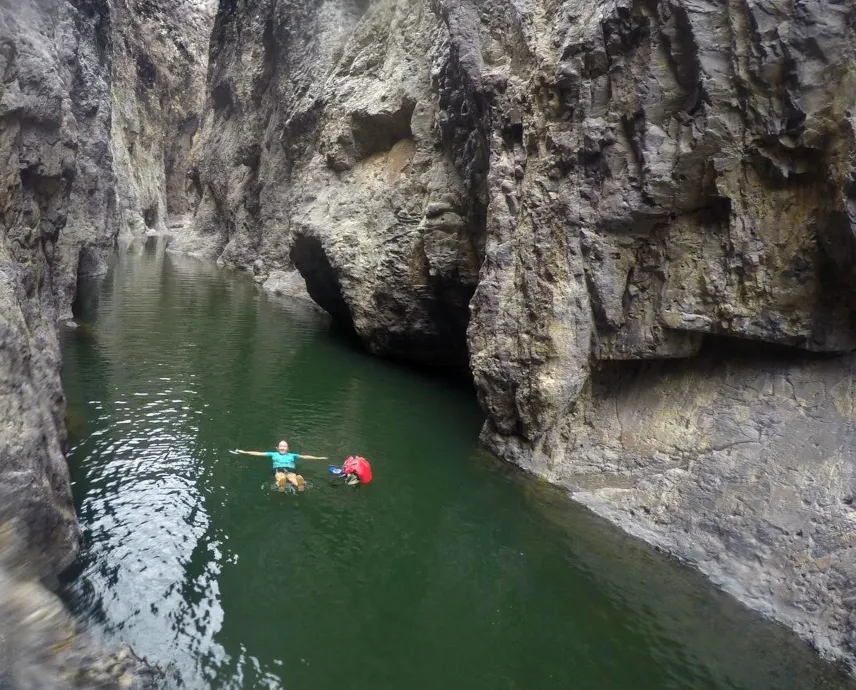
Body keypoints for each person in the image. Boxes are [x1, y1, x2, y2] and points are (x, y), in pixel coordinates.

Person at [233, 440, 328, 492]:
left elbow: (305, 456)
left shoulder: (292, 455)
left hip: (290, 469)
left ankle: (299, 485)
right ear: (277, 448)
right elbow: (259, 453)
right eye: (281, 446)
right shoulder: (273, 454)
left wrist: (318, 458)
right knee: (280, 476)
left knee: (292, 477)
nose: (282, 447)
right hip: (278, 469)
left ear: (287, 448)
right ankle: (281, 485)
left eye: (284, 446)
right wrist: (244, 452)